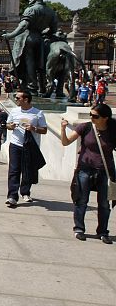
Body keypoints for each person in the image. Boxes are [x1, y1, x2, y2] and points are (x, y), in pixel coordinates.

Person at [60, 104, 113, 243]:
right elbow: (66, 142)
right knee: (81, 201)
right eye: (91, 115)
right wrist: (63, 128)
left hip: (105, 171)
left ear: (105, 118)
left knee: (104, 204)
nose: (92, 118)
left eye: (95, 116)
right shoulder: (86, 127)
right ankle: (79, 229)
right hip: (85, 169)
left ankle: (102, 231)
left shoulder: (112, 131)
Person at [5, 90, 47, 207]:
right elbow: (8, 125)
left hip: (29, 145)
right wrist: (11, 126)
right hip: (15, 144)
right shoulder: (14, 111)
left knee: (28, 170)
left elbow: (44, 130)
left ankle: (25, 191)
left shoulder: (38, 113)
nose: (16, 99)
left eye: (18, 98)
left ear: (26, 100)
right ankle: (12, 196)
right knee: (14, 170)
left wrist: (34, 128)